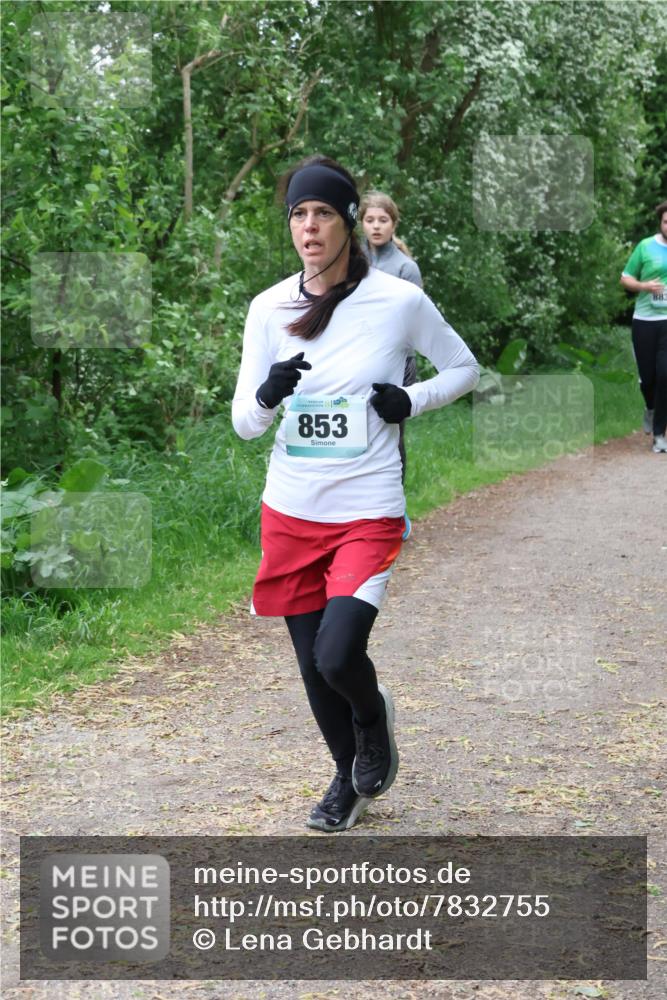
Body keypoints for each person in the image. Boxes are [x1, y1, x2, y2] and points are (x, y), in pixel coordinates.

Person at [232, 155, 479, 833]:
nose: (307, 227)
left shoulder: (397, 301)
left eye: (320, 214)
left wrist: (411, 399)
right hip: (291, 506)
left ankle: (372, 719)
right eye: (296, 215)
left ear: (347, 223)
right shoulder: (268, 308)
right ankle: (347, 779)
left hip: (365, 507)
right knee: (311, 667)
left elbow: (462, 367)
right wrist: (266, 395)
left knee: (338, 655)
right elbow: (245, 425)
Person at [361, 191, 423, 538]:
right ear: (362, 224)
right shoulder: (353, 261)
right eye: (370, 220)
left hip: (400, 362)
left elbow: (415, 320)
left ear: (393, 223)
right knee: (362, 433)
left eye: (382, 220)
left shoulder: (405, 267)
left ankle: (396, 511)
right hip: (360, 359)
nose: (376, 226)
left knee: (392, 433)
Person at [620, 199, 667, 453]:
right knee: (648, 378)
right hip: (645, 320)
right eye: (666, 221)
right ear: (660, 223)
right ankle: (650, 408)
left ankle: (659, 435)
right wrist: (644, 286)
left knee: (665, 374)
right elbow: (625, 277)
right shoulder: (646, 247)